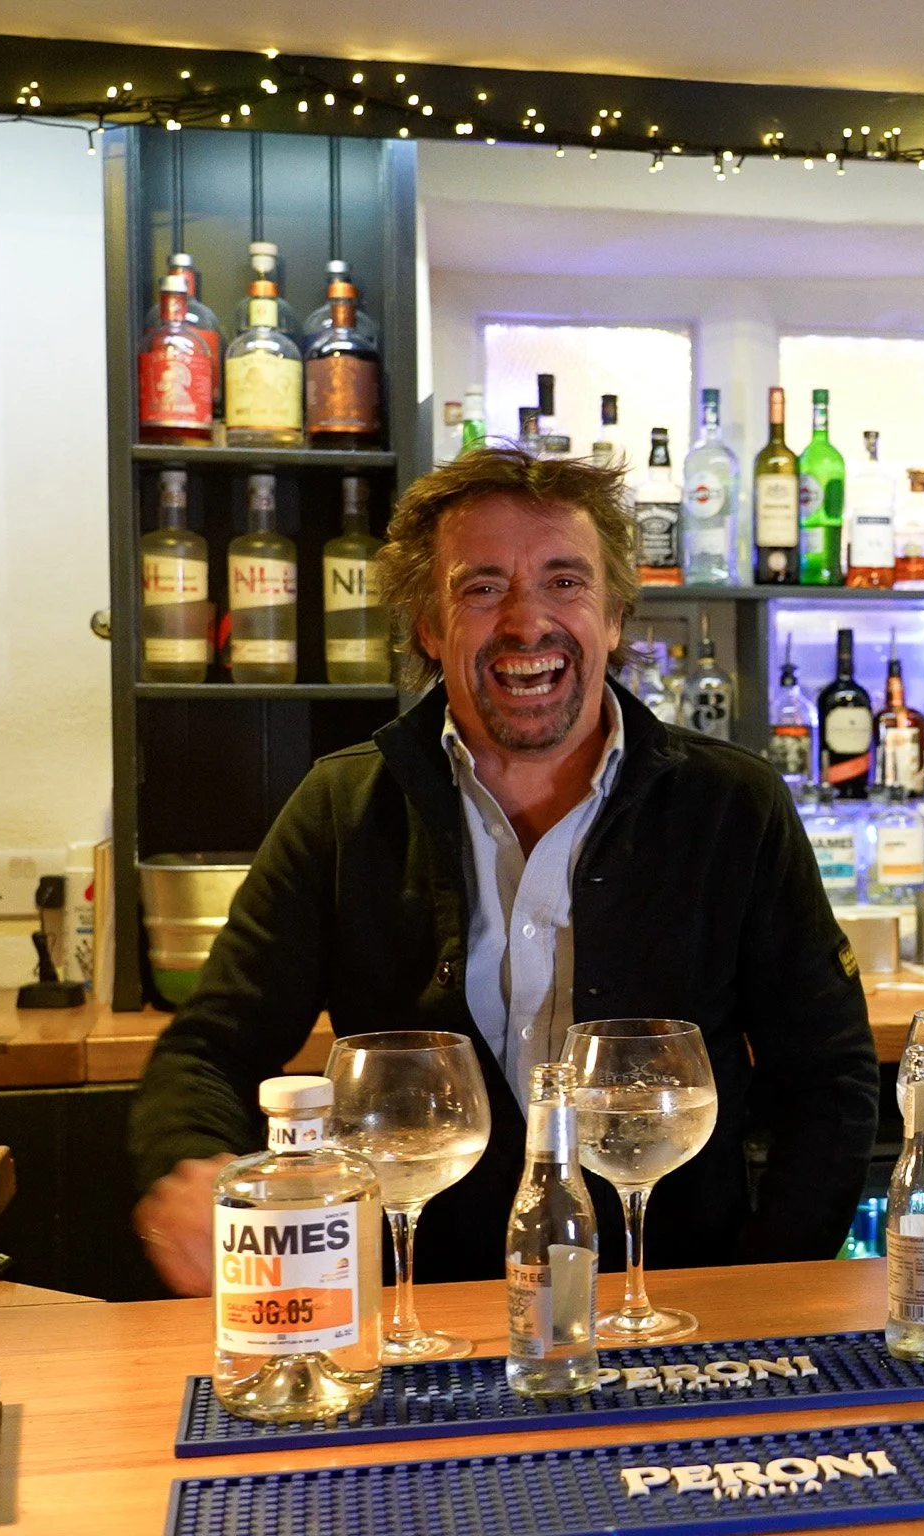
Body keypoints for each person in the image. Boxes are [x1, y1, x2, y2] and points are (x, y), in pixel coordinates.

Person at [128, 448, 878, 1295]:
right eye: (482, 588)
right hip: (419, 1315)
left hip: (677, 1312)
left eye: (566, 582)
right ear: (427, 625)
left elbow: (828, 1080)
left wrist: (764, 1286)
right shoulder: (343, 808)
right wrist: (194, 1173)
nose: (527, 623)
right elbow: (209, 1053)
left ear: (614, 616)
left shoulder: (732, 805)